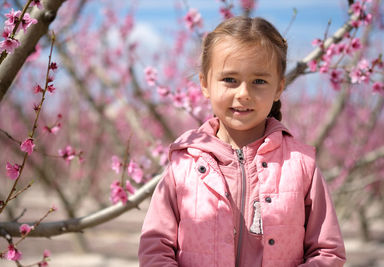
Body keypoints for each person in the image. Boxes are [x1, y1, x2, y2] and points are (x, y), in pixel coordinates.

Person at [138, 16, 346, 267]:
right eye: (230, 80)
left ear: (279, 87)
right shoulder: (183, 165)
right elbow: (155, 248)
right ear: (205, 84)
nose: (244, 94)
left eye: (259, 81)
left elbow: (327, 253)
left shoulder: (301, 166)